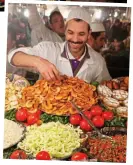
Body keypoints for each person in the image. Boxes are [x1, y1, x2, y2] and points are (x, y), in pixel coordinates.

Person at [8, 7, 111, 83]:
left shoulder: (98, 61)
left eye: (81, 34)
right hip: (47, 109)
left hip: (81, 111)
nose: (75, 39)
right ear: (65, 31)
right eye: (70, 32)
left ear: (89, 34)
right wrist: (39, 62)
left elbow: (105, 86)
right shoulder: (49, 49)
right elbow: (12, 56)